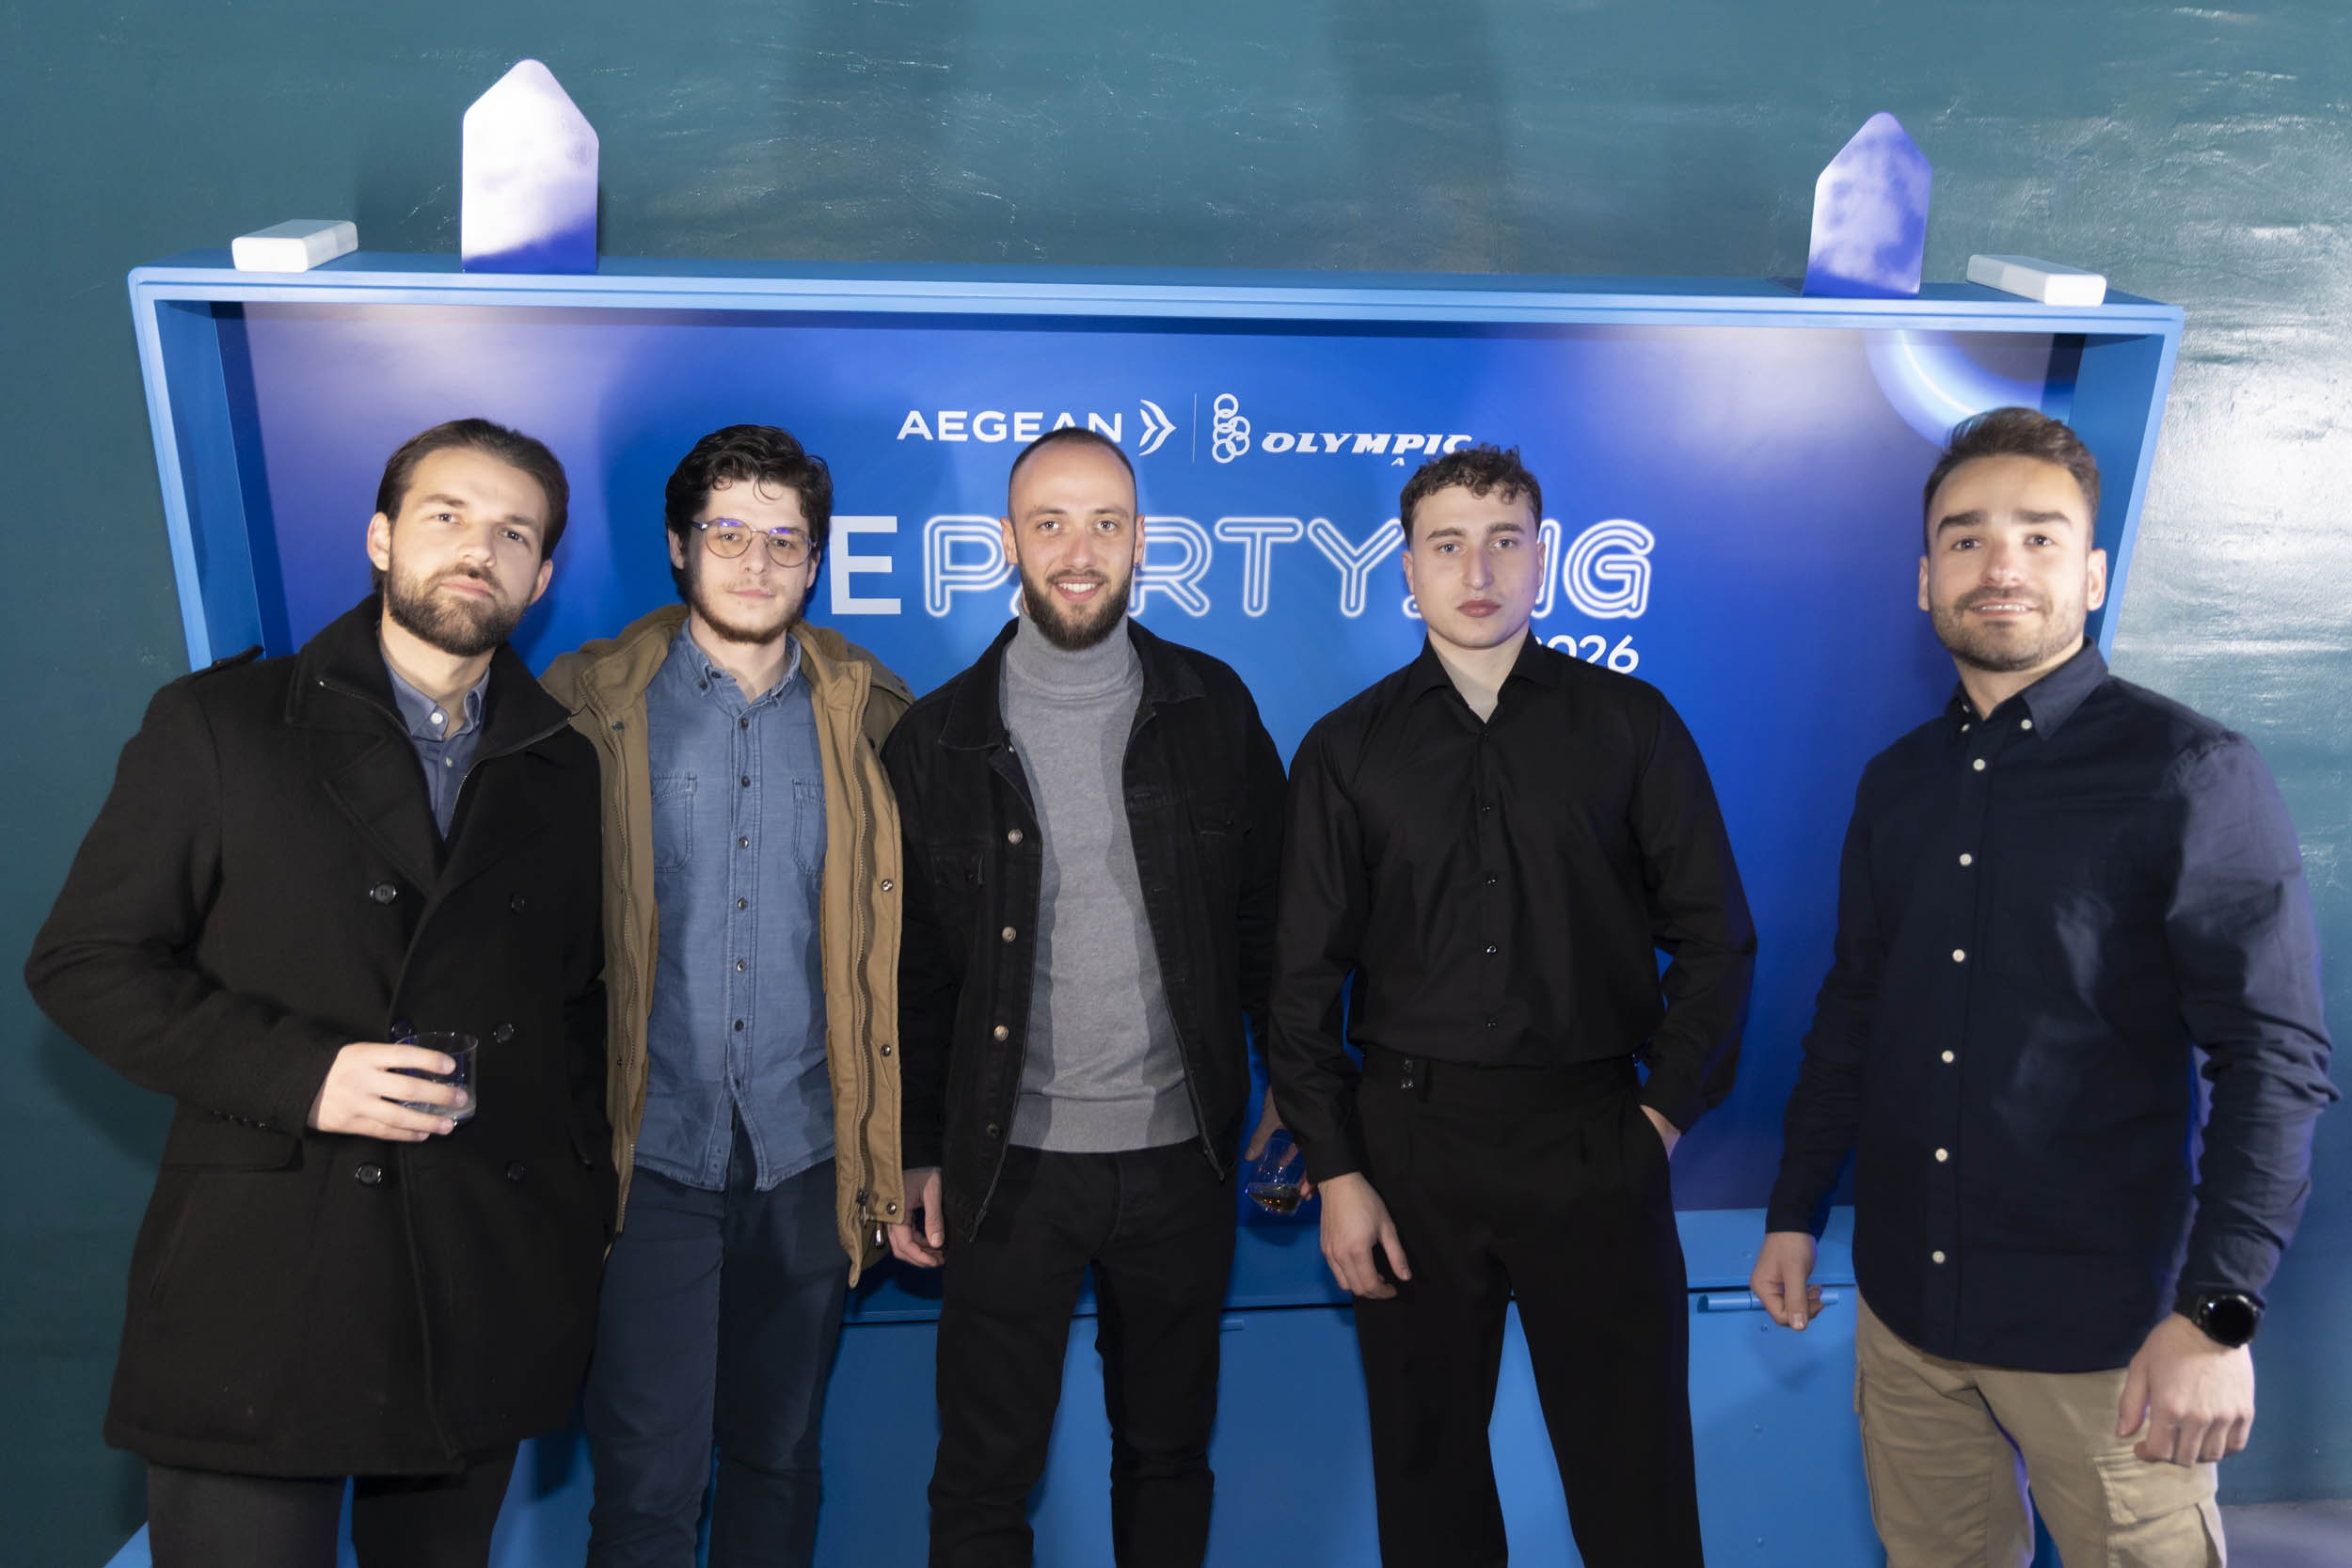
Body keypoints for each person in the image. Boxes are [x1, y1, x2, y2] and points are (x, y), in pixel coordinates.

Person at [1751, 407, 2335, 1568]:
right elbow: (1855, 1006)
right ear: (1926, 578)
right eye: (1965, 538)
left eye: (2038, 535)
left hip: (2110, 1341)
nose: (2000, 564)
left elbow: (2273, 1060)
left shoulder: (2188, 771)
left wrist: (2216, 1313)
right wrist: (1793, 1208)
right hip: (1908, 1320)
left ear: (2092, 574)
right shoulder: (1897, 784)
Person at [25, 418, 613, 1567]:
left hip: (479, 1273)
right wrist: (305, 1075)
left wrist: (577, 1210)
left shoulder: (562, 765)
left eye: (514, 533)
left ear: (541, 578)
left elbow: (576, 1007)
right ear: (381, 536)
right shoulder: (223, 723)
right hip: (264, 1275)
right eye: (446, 515)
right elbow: (85, 960)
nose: (478, 548)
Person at [1269, 443, 1754, 1568]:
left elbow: (1717, 937)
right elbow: (1297, 985)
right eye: (1447, 544)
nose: (1476, 569)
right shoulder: (1344, 749)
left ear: (1543, 557)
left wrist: (1659, 1118)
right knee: (1427, 1480)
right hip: (1406, 1152)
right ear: (1407, 568)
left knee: (1634, 1483)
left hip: (1595, 1139)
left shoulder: (1630, 722)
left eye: (1503, 540)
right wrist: (1338, 1172)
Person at [882, 425, 1286, 1567]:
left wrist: (1295, 1093)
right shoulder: (936, 738)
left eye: (1105, 522)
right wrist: (916, 1149)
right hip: (1005, 1169)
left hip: (1182, 1161)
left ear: (1140, 540)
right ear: (1006, 539)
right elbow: (914, 971)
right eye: (1050, 522)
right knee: (981, 1478)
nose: (1078, 549)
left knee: (1167, 1458)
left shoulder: (1213, 707)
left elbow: (1269, 924)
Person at [541, 424, 912, 1567]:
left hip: (807, 1158)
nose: (757, 562)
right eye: (729, 532)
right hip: (647, 1157)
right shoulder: (584, 707)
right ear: (678, 544)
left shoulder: (874, 715)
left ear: (816, 560)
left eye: (784, 540)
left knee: (779, 1460)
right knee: (647, 1487)